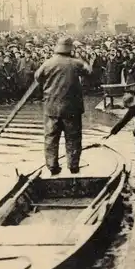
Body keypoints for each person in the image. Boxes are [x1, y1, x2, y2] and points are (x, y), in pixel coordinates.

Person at [34, 37, 92, 176]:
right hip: (71, 108)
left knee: (51, 138)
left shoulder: (48, 63)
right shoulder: (76, 63)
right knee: (73, 138)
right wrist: (80, 56)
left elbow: (37, 77)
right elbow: (89, 71)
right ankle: (73, 167)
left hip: (51, 108)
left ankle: (53, 167)